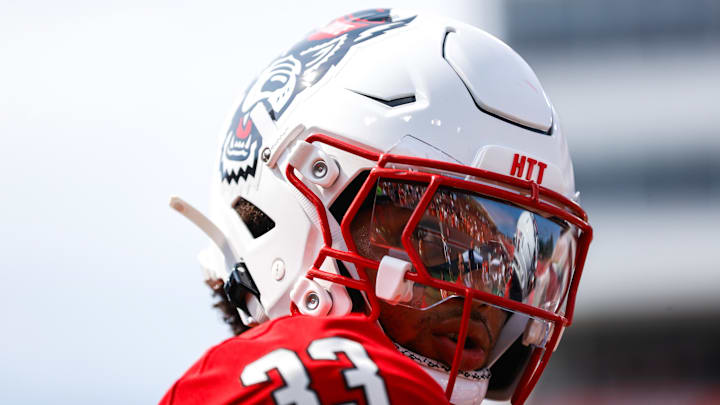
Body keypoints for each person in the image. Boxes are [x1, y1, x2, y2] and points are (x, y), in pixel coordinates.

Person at [162, 8, 593, 405]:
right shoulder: (318, 382)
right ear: (295, 215)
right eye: (438, 245)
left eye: (505, 265)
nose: (484, 300)